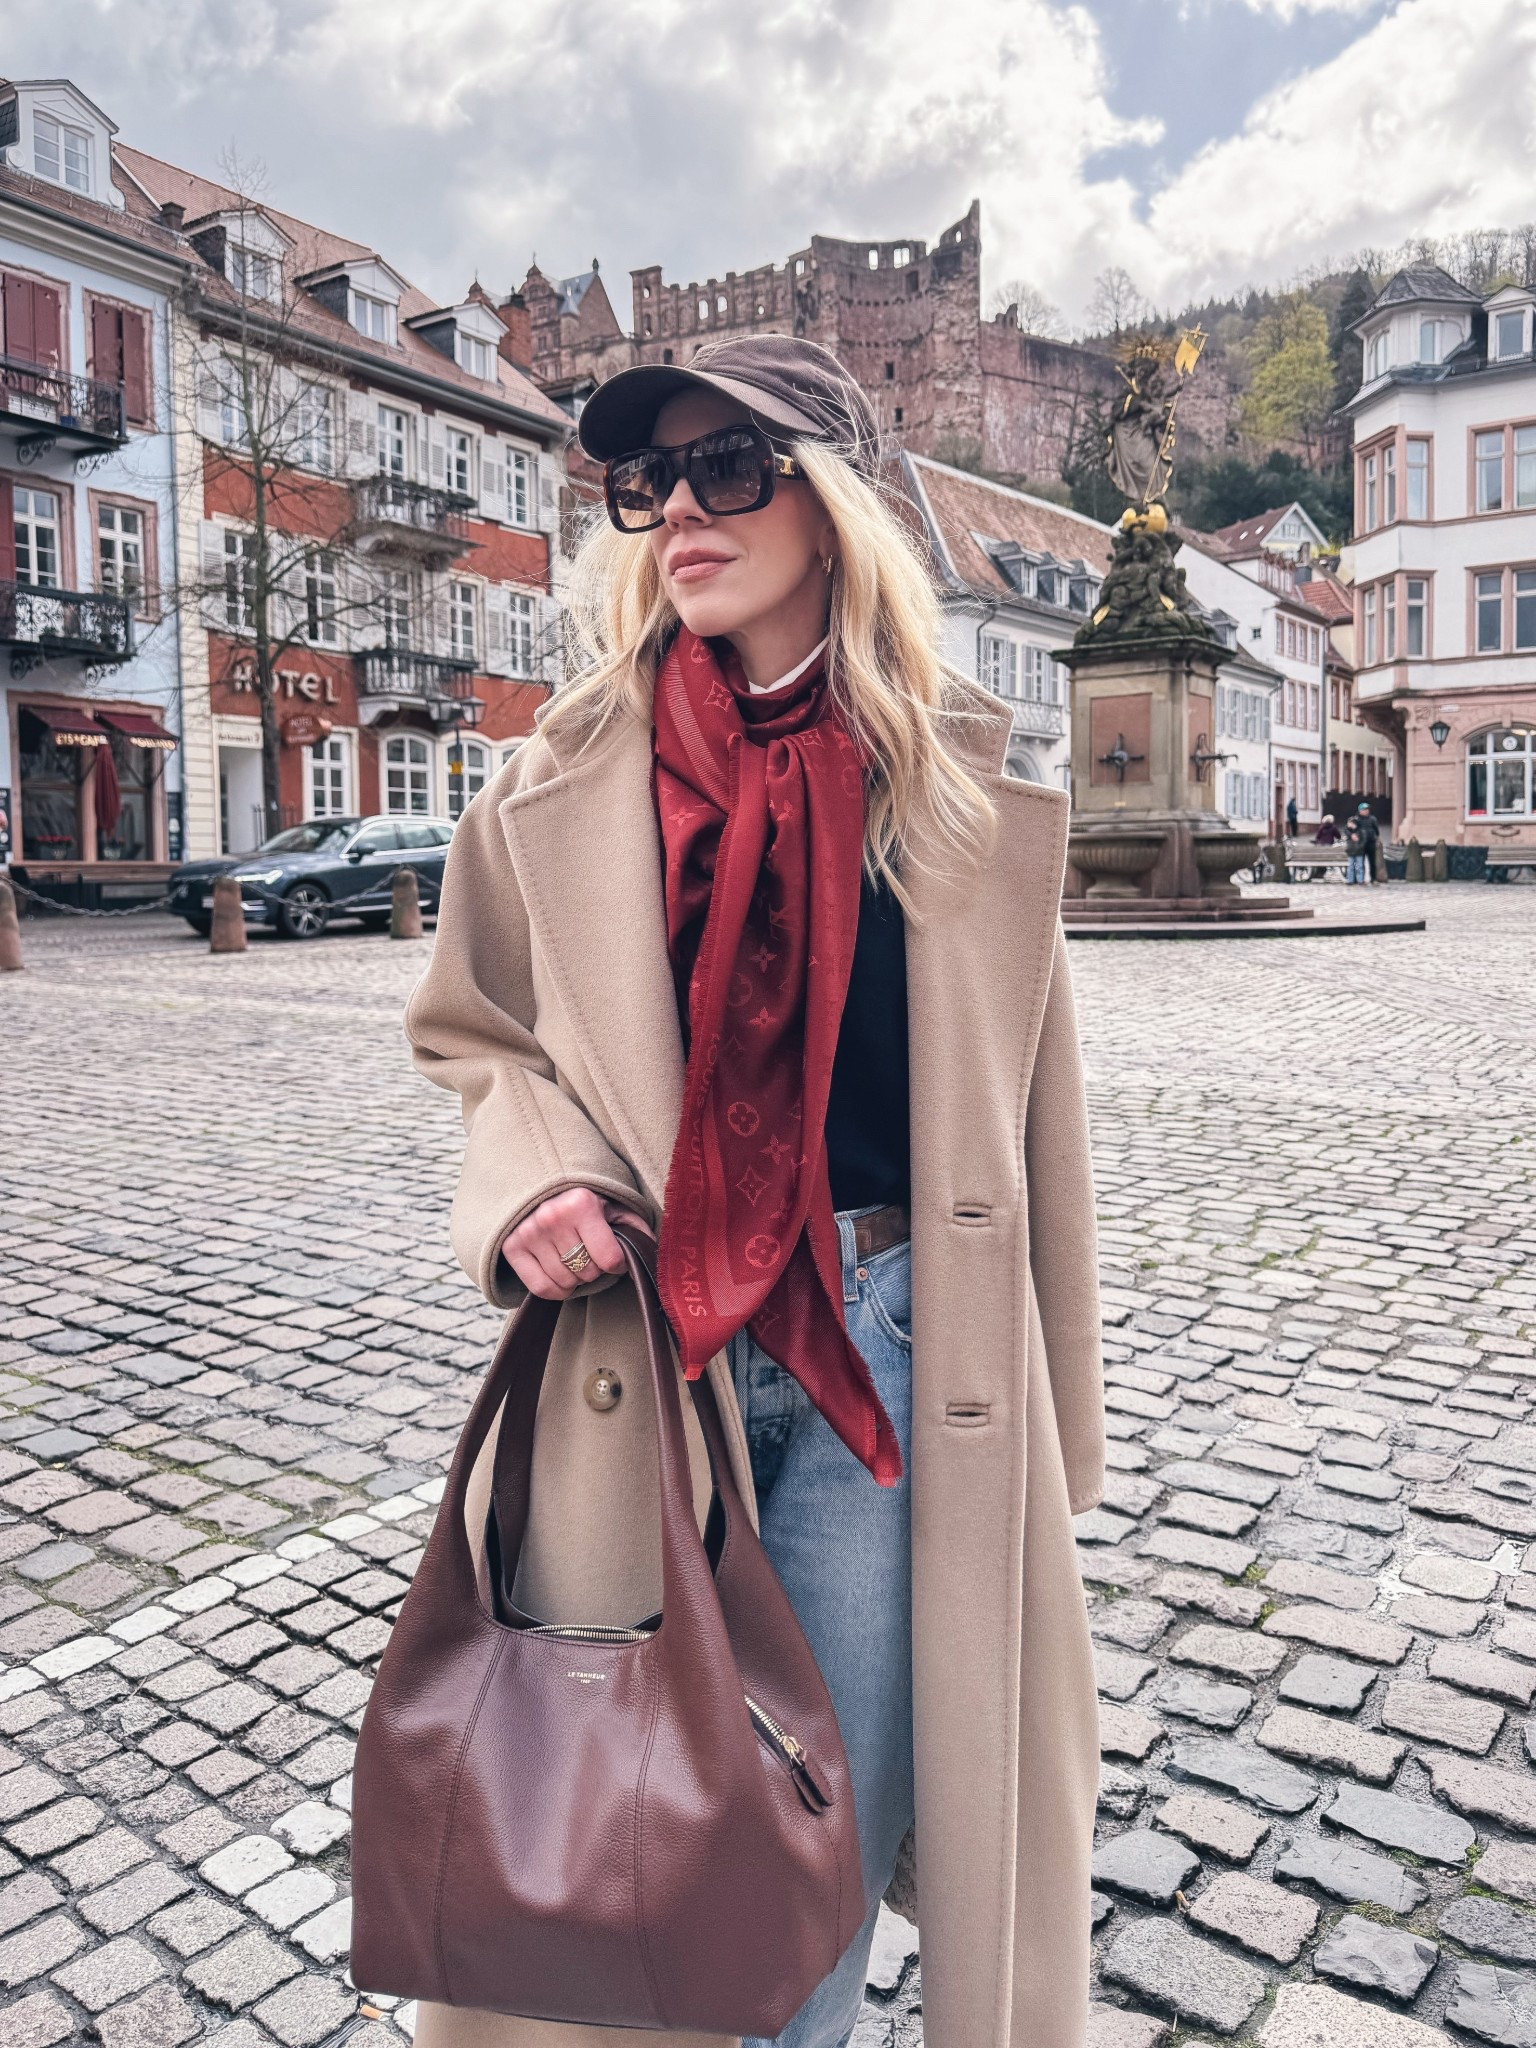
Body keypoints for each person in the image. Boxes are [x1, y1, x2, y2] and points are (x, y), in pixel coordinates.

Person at [403, 334, 1105, 2048]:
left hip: (890, 1359)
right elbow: (475, 1032)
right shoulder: (551, 783)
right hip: (647, 1364)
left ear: (833, 505)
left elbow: (1038, 1125)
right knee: (616, 1836)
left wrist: (1055, 1430)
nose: (680, 516)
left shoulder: (956, 787)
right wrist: (536, 1174)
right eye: (651, 482)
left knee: (819, 1854)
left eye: (734, 470)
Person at [1345, 801, 1380, 885]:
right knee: (1360, 863)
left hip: (1371, 843)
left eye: (1367, 809)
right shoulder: (1356, 819)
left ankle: (1373, 879)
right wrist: (1351, 835)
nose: (1366, 811)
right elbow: (1347, 829)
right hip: (1360, 844)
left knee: (1372, 862)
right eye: (1364, 809)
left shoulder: (1372, 819)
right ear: (1360, 810)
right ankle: (1360, 879)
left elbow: (1376, 830)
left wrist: (1376, 838)